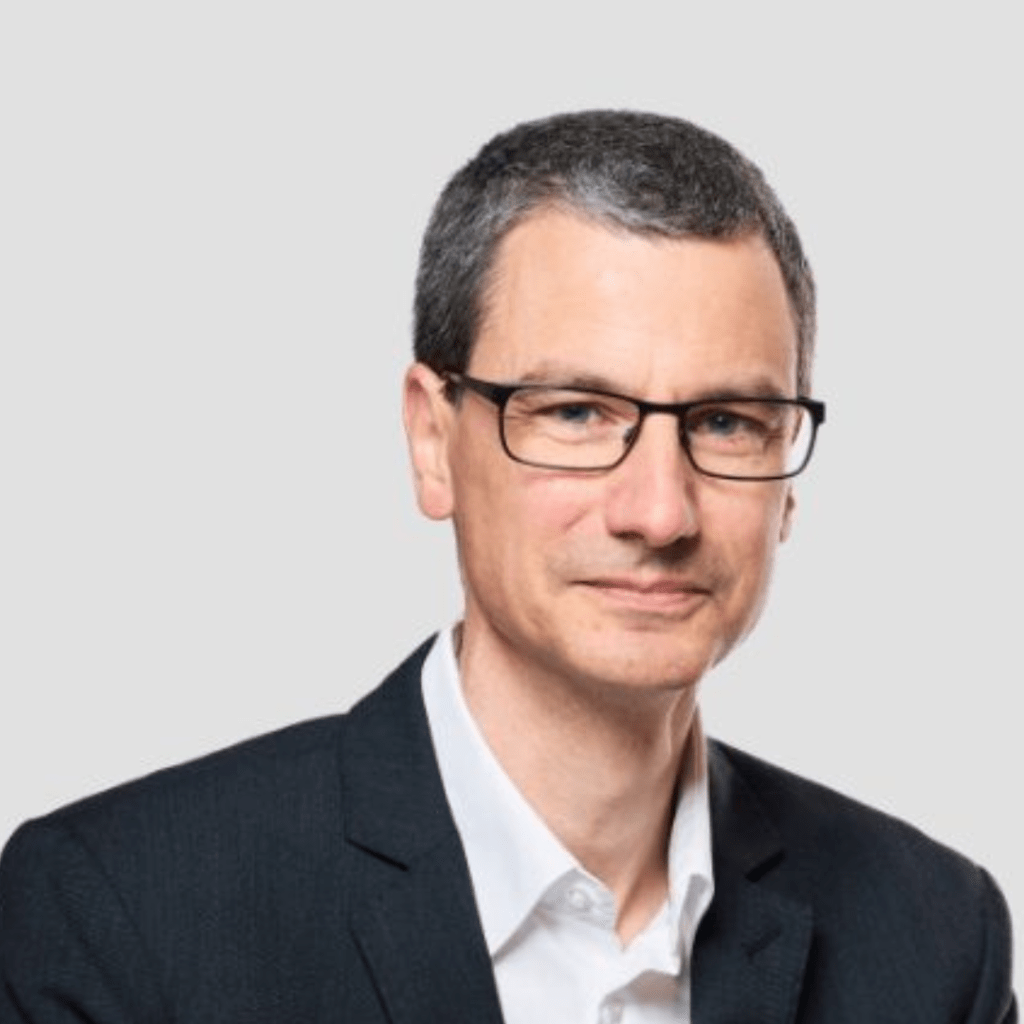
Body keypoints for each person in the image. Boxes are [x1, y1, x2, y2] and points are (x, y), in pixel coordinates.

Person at [0, 110, 1015, 1024]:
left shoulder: (934, 938)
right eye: (576, 413)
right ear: (433, 442)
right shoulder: (122, 913)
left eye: (726, 423)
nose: (659, 511)